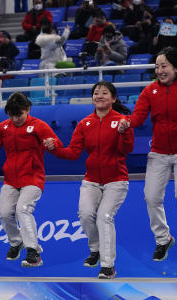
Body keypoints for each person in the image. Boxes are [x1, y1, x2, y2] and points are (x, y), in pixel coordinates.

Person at [118, 47, 177, 261]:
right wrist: (126, 122)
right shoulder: (150, 91)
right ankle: (163, 239)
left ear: (176, 68)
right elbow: (139, 117)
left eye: (164, 66)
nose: (160, 70)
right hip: (158, 153)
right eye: (157, 66)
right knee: (151, 198)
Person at [43, 81, 134, 279]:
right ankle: (96, 250)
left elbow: (127, 150)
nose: (99, 96)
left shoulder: (122, 121)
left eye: (104, 93)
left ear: (113, 98)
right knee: (85, 215)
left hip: (116, 180)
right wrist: (54, 148)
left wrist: (123, 132)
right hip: (91, 180)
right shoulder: (85, 124)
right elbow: (73, 153)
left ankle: (108, 266)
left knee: (104, 217)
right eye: (96, 93)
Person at [0, 92, 63, 267]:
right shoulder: (3, 127)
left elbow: (55, 142)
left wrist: (53, 144)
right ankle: (16, 242)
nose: (16, 119)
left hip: (33, 178)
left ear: (28, 109)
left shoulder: (39, 126)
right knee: (4, 213)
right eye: (12, 115)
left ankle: (33, 252)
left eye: (19, 114)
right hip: (11, 180)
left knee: (23, 209)